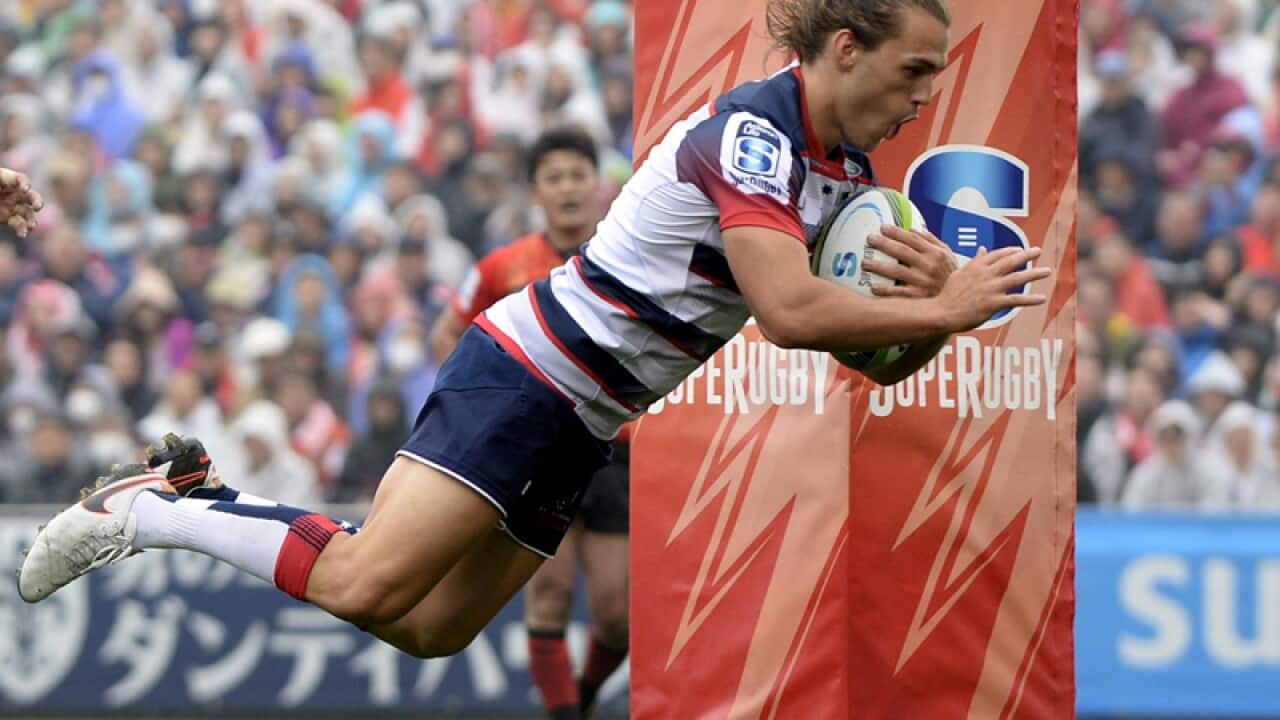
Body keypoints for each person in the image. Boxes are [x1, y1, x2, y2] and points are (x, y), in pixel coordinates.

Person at [19, 0, 1051, 672]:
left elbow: (858, 352)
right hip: (526, 374)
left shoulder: (847, 185)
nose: (923, 98)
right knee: (366, 579)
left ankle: (198, 497)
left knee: (427, 630)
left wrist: (922, 326)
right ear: (842, 48)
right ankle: (160, 509)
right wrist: (939, 307)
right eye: (914, 70)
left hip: (582, 420)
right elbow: (786, 314)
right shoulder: (750, 135)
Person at [429, 126, 631, 720]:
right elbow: (450, 334)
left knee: (618, 616)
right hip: (538, 451)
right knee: (548, 594)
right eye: (554, 177)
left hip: (618, 452)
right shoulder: (500, 267)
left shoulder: (628, 254)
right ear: (535, 192)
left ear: (598, 187)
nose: (568, 187)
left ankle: (583, 698)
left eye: (577, 175)